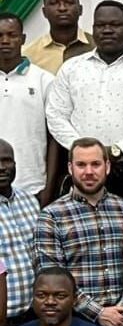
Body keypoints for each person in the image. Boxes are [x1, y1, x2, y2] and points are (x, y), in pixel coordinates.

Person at [45, 0, 123, 206]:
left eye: (115, 25)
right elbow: (56, 116)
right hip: (84, 173)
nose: (107, 30)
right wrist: (88, 154)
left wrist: (118, 150)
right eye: (100, 25)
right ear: (93, 29)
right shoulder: (71, 68)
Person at [36, 138, 123, 326]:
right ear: (70, 168)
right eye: (81, 165)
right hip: (76, 325)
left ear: (107, 167)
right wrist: (98, 313)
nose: (89, 172)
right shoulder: (51, 216)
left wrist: (121, 309)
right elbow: (50, 276)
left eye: (95, 164)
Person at [0, 12, 58, 205]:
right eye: (0, 36)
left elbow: (54, 138)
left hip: (33, 187)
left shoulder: (44, 80)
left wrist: (48, 188)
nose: (5, 41)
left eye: (12, 35)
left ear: (23, 38)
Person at [0, 141, 42, 322]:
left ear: (15, 164)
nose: (2, 168)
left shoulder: (30, 201)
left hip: (34, 316)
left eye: (7, 160)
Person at [22, 0, 93, 74]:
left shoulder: (98, 47)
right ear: (44, 12)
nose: (62, 8)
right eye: (54, 3)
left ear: (80, 10)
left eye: (69, 2)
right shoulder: (29, 54)